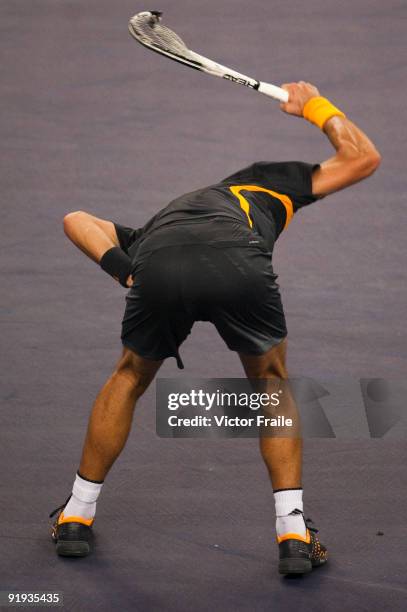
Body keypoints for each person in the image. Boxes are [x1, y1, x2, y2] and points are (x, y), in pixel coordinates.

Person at [49, 82, 380, 574]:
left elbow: (76, 219)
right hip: (237, 264)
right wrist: (313, 105)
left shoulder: (152, 231)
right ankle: (292, 532)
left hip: (157, 267)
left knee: (129, 376)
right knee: (271, 386)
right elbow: (361, 158)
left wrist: (124, 269)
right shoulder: (263, 182)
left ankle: (76, 516)